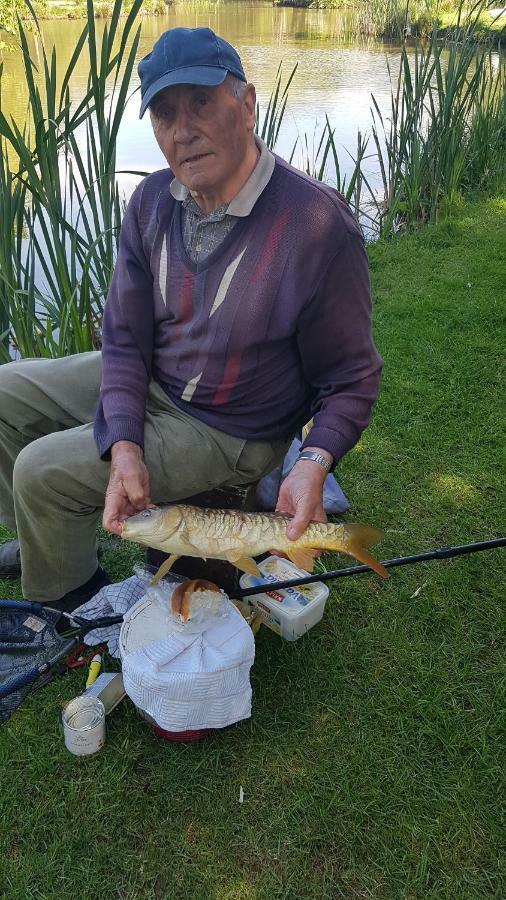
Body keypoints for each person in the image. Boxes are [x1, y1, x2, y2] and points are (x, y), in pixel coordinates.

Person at [0, 27, 381, 613]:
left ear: (246, 104)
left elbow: (352, 379)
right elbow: (125, 337)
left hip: (230, 426)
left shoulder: (316, 227)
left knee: (41, 469)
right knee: (5, 392)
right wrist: (124, 440)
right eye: (165, 113)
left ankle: (66, 601)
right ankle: (41, 542)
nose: (183, 131)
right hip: (158, 379)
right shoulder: (151, 202)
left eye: (202, 102)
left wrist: (312, 462)